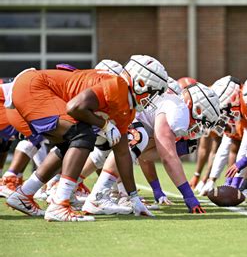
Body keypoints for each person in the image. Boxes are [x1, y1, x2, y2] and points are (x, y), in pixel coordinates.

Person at [6, 55, 168, 221]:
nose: (153, 99)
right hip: (33, 87)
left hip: (33, 88)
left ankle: (24, 194)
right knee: (82, 134)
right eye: (154, 93)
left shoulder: (128, 107)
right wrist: (104, 124)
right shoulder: (117, 86)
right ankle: (59, 205)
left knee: (71, 140)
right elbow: (75, 107)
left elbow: (123, 153)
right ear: (141, 83)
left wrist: (133, 198)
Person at [83, 82, 221, 214]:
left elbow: (144, 156)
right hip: (108, 119)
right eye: (202, 120)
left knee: (121, 148)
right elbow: (168, 157)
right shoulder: (178, 111)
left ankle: (70, 188)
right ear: (192, 105)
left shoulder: (174, 106)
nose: (201, 127)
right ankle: (98, 196)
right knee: (137, 138)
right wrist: (189, 196)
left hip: (114, 122)